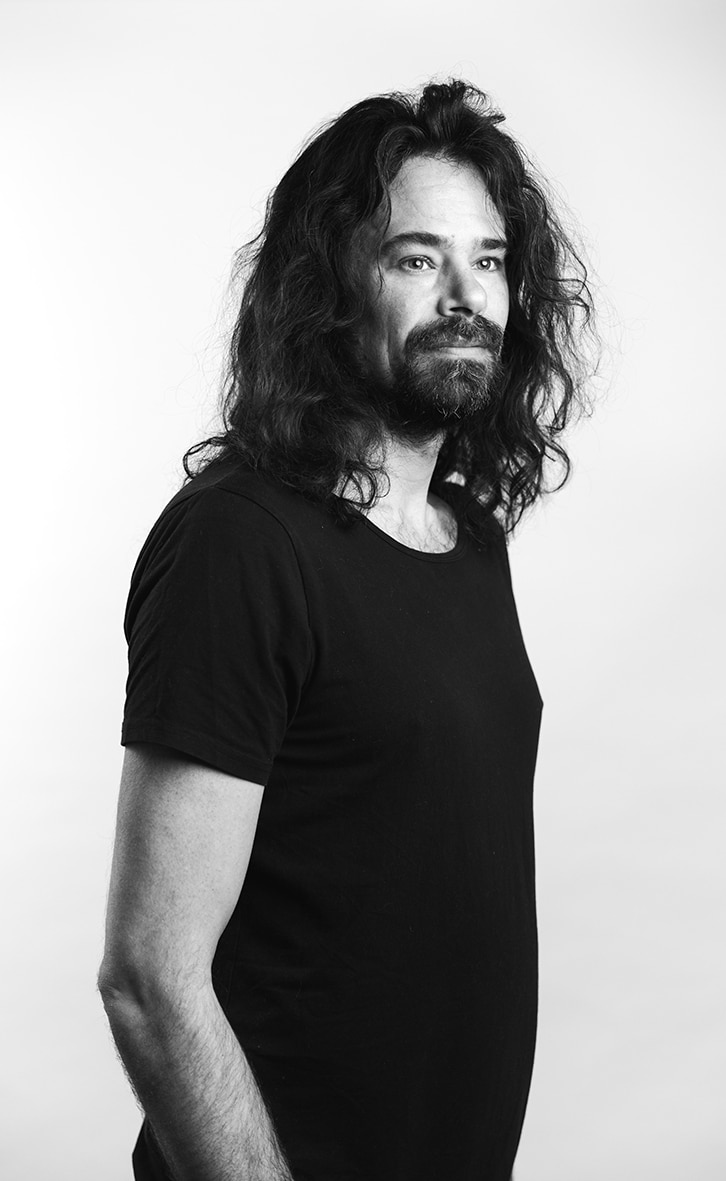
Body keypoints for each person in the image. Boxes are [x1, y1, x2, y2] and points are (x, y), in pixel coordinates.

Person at [98, 80, 595, 1181]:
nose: (465, 296)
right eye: (417, 258)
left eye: (489, 259)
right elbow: (148, 976)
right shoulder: (240, 542)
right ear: (328, 287)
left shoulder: (469, 539)